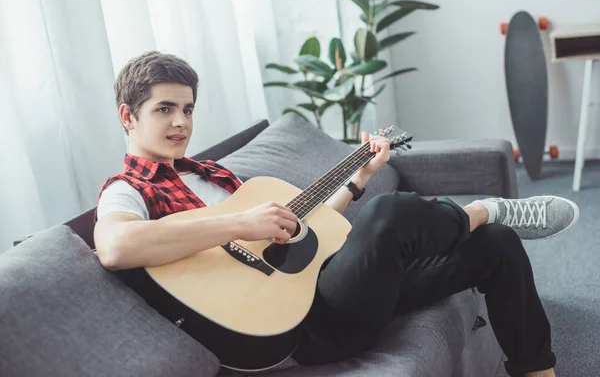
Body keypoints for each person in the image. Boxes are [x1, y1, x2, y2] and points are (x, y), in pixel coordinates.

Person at [94, 51, 579, 377]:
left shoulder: (215, 175)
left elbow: (304, 233)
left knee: (495, 245)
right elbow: (116, 247)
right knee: (392, 213)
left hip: (330, 288)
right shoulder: (129, 190)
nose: (181, 122)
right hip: (300, 330)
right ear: (127, 116)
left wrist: (359, 178)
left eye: (188, 108)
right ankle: (481, 209)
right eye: (164, 109)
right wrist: (241, 223)